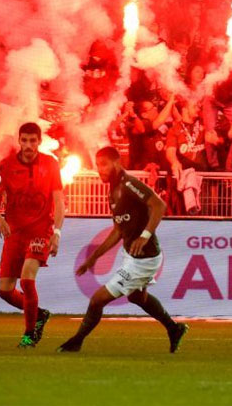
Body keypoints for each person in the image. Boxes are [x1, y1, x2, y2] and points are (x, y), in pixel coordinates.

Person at [58, 146, 188, 353]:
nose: (99, 169)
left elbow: (159, 205)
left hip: (144, 259)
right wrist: (94, 257)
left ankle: (77, 341)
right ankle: (174, 329)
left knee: (97, 299)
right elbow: (118, 231)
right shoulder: (113, 190)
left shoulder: (129, 184)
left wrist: (145, 236)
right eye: (97, 165)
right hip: (133, 255)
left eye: (104, 164)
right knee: (137, 297)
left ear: (117, 163)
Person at [0, 122, 65, 348]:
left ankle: (29, 335)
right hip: (14, 233)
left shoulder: (50, 164)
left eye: (33, 141)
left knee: (28, 280)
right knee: (5, 291)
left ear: (39, 141)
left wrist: (57, 232)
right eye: (25, 140)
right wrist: (0, 219)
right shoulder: (6, 166)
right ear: (19, 141)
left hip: (41, 231)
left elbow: (59, 201)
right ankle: (38, 314)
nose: (29, 145)